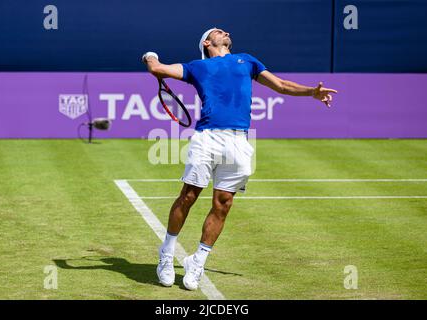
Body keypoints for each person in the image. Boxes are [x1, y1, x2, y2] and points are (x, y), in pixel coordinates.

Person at [142, 28, 337, 291]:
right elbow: (158, 69)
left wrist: (310, 92)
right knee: (188, 196)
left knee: (223, 204)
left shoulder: (248, 60)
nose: (226, 32)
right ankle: (166, 254)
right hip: (207, 137)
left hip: (239, 141)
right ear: (207, 42)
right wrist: (149, 57)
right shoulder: (197, 67)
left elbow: (281, 85)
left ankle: (197, 260)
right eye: (217, 31)